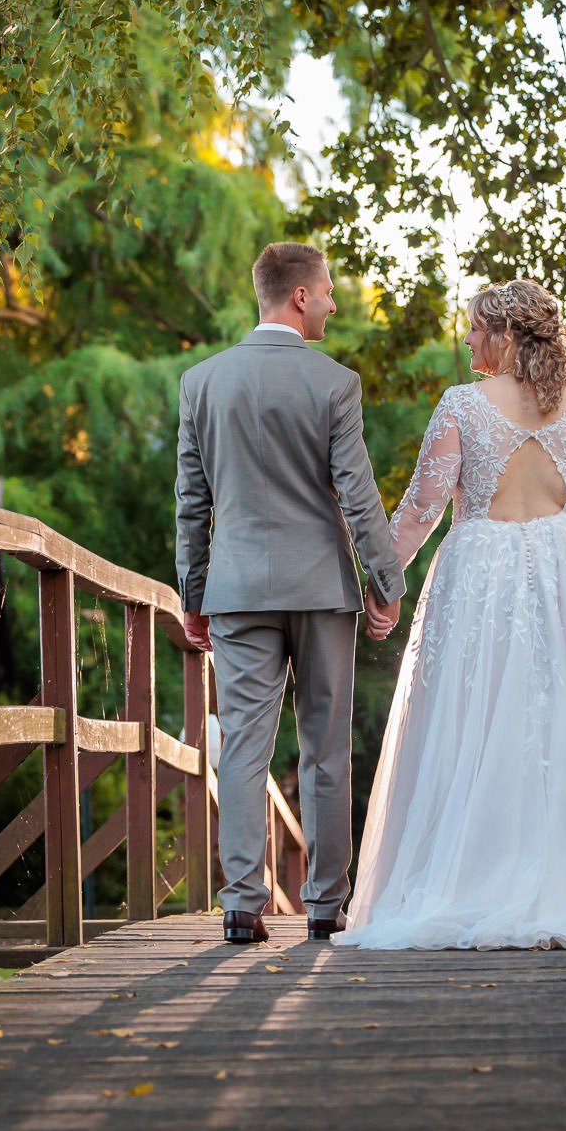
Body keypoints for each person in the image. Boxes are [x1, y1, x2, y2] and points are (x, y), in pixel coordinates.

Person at [336, 278, 566, 951]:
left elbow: (420, 509)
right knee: (561, 730)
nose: (466, 339)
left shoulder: (462, 405)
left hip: (480, 578)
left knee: (469, 728)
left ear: (502, 333)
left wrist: (384, 583)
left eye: (473, 327)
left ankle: (476, 878)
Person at [174, 242, 404, 945]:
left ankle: (242, 904)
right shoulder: (335, 383)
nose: (333, 303)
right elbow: (358, 495)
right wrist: (386, 581)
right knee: (325, 747)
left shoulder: (202, 382)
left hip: (237, 588)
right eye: (328, 291)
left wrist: (194, 590)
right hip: (320, 587)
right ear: (299, 295)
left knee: (242, 744)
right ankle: (324, 907)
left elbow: (192, 500)